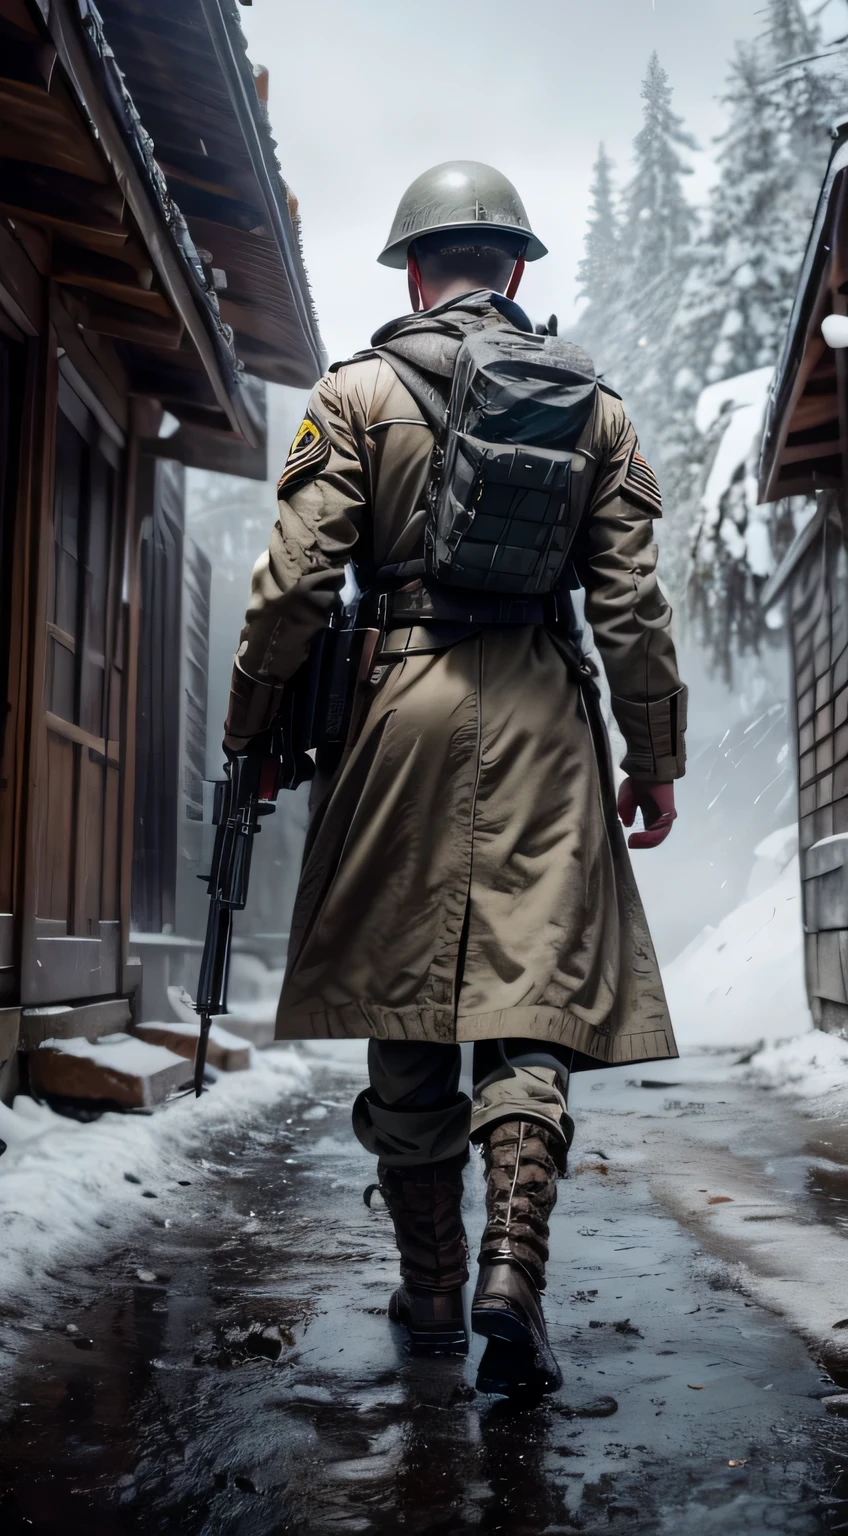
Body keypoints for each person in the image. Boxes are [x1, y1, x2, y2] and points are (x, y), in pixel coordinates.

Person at [223, 161, 687, 1398]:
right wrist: (654, 757)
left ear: (415, 272)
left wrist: (251, 728)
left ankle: (429, 1290)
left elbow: (293, 589)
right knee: (529, 1004)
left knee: (404, 995)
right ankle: (510, 1275)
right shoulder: (594, 408)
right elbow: (631, 607)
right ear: (516, 271)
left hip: (395, 714)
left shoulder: (355, 392)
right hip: (542, 710)